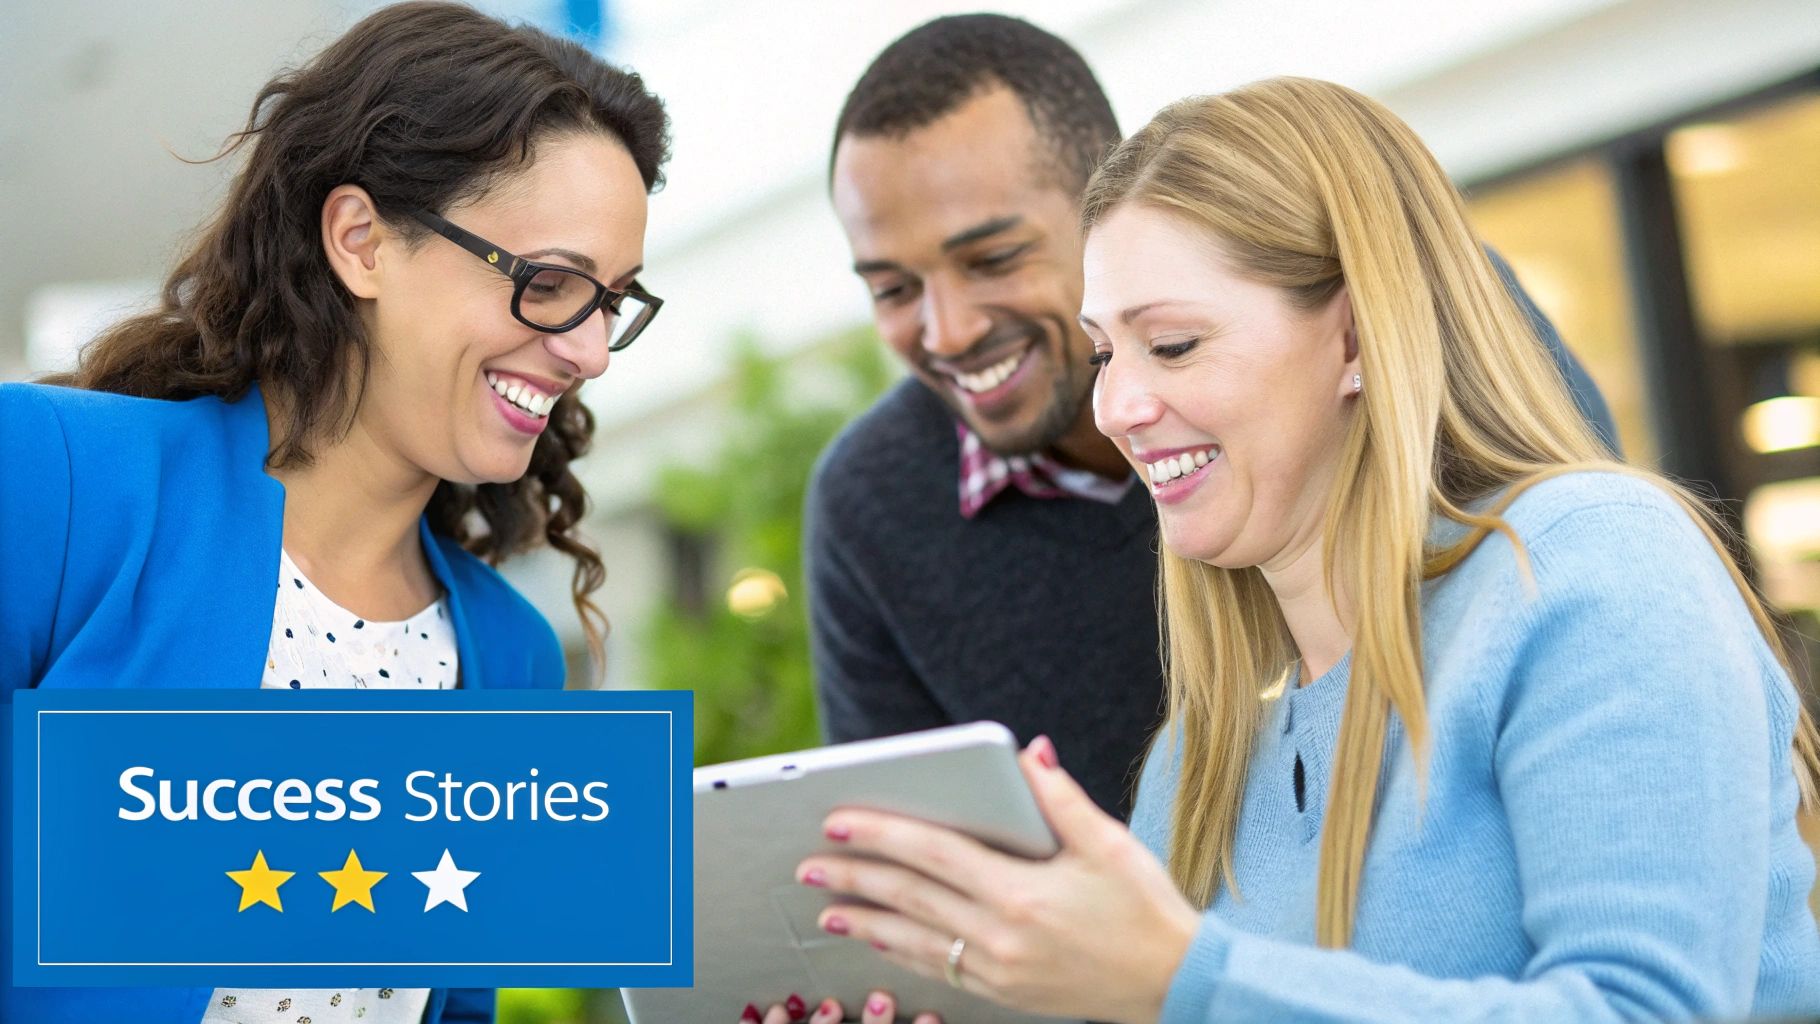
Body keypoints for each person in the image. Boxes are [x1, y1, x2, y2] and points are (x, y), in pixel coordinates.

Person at [787, 78, 1820, 1023]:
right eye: (1105, 351)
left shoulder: (1590, 569)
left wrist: (1176, 977)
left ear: (1358, 337)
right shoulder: (1195, 762)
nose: (1118, 406)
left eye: (1174, 344)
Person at [0, 3, 668, 1022]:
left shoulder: (509, 655)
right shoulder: (56, 482)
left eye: (610, 300)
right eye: (549, 284)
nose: (584, 348)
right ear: (361, 241)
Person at [806, 13, 1618, 824]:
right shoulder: (870, 506)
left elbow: (1607, 621)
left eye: (993, 260)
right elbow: (916, 860)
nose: (946, 331)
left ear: (1105, 204)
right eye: (892, 289)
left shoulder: (1406, 321)